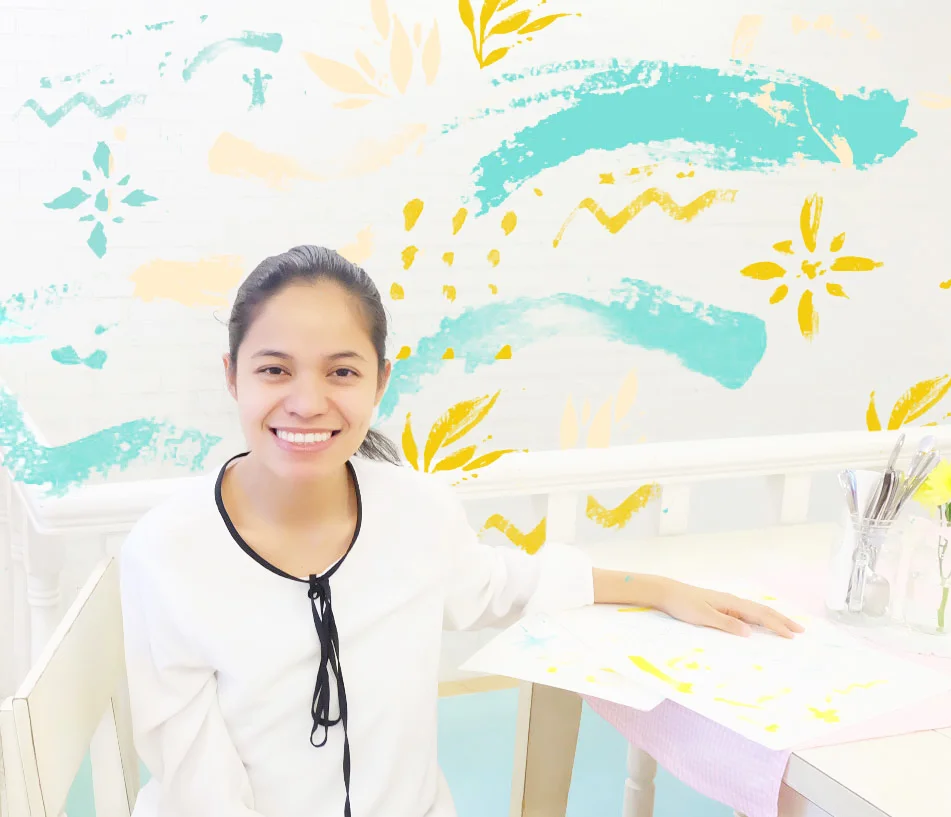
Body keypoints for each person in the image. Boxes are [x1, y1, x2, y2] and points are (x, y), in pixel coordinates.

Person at [119, 245, 803, 817]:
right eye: (274, 369)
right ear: (232, 376)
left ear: (380, 381)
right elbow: (198, 782)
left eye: (341, 371)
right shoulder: (166, 552)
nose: (306, 401)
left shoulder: (416, 512)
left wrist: (657, 588)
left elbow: (507, 584)